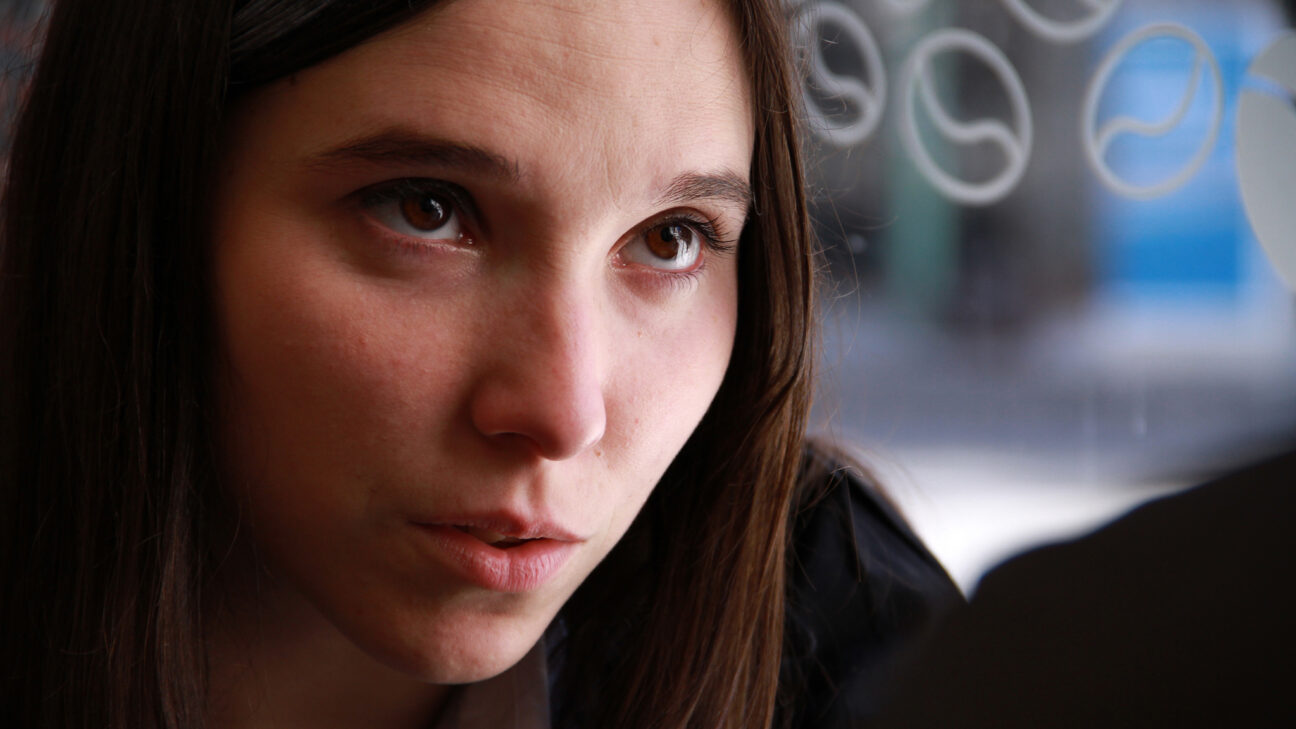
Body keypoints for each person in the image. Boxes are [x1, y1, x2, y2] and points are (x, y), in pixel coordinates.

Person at [0, 1, 960, 727]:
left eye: (670, 238)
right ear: (139, 202)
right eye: (426, 209)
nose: (563, 412)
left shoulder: (843, 637)